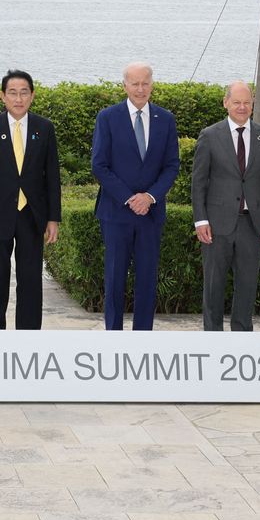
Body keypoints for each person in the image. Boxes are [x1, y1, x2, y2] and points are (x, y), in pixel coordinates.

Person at [0, 69, 61, 330]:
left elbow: (52, 176)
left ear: (32, 95)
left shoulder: (44, 128)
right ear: (2, 96)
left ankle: (28, 336)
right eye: (12, 93)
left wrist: (54, 217)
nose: (18, 98)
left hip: (32, 215)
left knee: (30, 279)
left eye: (23, 93)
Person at [90, 62, 180, 330]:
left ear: (152, 84)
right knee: (115, 279)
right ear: (125, 85)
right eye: (135, 83)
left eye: (145, 83)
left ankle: (143, 338)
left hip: (150, 214)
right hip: (116, 213)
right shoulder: (107, 117)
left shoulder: (165, 119)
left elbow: (171, 165)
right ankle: (114, 338)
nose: (140, 89)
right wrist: (130, 198)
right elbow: (99, 165)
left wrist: (150, 197)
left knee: (147, 280)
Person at [190, 81, 260, 331]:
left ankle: (242, 338)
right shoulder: (210, 136)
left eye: (247, 102)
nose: (242, 107)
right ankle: (213, 337)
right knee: (214, 285)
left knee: (248, 285)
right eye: (237, 102)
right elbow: (198, 182)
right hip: (217, 225)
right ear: (226, 103)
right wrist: (201, 220)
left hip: (252, 224)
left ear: (253, 105)